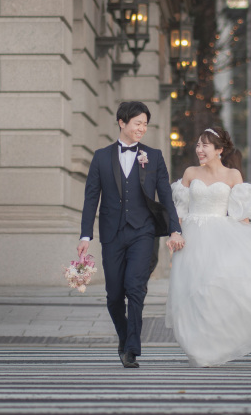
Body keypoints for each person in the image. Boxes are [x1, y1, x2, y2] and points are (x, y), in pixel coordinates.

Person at [165, 126, 251, 367]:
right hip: (191, 238)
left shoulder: (233, 175)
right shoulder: (190, 172)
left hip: (219, 235)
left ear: (219, 150)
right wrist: (175, 233)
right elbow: (180, 210)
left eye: (205, 145)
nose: (199, 150)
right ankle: (195, 346)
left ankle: (213, 346)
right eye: (198, 145)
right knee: (191, 291)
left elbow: (240, 215)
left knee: (213, 290)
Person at [77, 101, 185, 368]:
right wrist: (85, 236)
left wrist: (175, 227)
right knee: (114, 295)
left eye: (145, 124)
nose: (142, 128)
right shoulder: (101, 157)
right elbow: (91, 198)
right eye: (138, 123)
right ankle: (124, 336)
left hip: (143, 231)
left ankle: (132, 348)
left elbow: (166, 197)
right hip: (112, 234)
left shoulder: (154, 156)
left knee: (135, 288)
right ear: (122, 123)